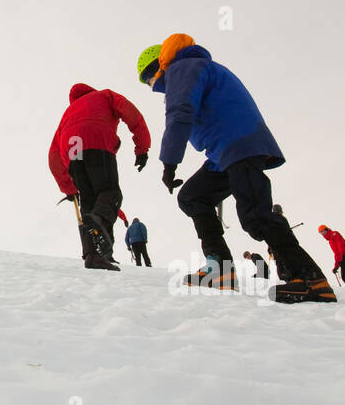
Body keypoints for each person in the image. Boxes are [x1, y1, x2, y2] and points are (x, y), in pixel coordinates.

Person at [137, 35, 334, 303]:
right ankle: (219, 268)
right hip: (227, 152)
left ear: (155, 68)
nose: (150, 86)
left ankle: (310, 279)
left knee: (255, 214)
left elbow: (180, 112)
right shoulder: (197, 67)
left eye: (146, 79)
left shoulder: (181, 69)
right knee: (192, 196)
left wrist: (169, 163)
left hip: (239, 146)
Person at [48, 83, 151, 271]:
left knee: (89, 202)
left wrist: (69, 188)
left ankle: (93, 255)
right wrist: (142, 147)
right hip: (96, 140)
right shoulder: (105, 96)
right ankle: (100, 230)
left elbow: (53, 154)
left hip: (72, 152)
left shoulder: (67, 114)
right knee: (110, 193)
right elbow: (132, 114)